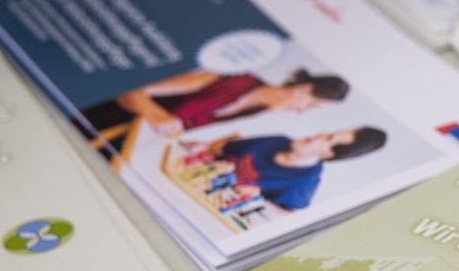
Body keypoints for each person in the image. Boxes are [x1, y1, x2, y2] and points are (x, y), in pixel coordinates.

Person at [81, 67, 350, 146]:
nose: (303, 111)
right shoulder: (232, 78)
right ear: (303, 89)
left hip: (127, 142)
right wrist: (155, 113)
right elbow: (129, 89)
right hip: (93, 123)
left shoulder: (256, 109)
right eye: (312, 104)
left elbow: (180, 124)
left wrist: (186, 142)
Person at [189, 128, 388, 213]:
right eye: (328, 132)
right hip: (191, 182)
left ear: (327, 153)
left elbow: (288, 216)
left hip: (207, 206)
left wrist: (258, 198)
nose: (319, 133)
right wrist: (201, 147)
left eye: (328, 138)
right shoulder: (278, 140)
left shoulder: (306, 179)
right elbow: (219, 149)